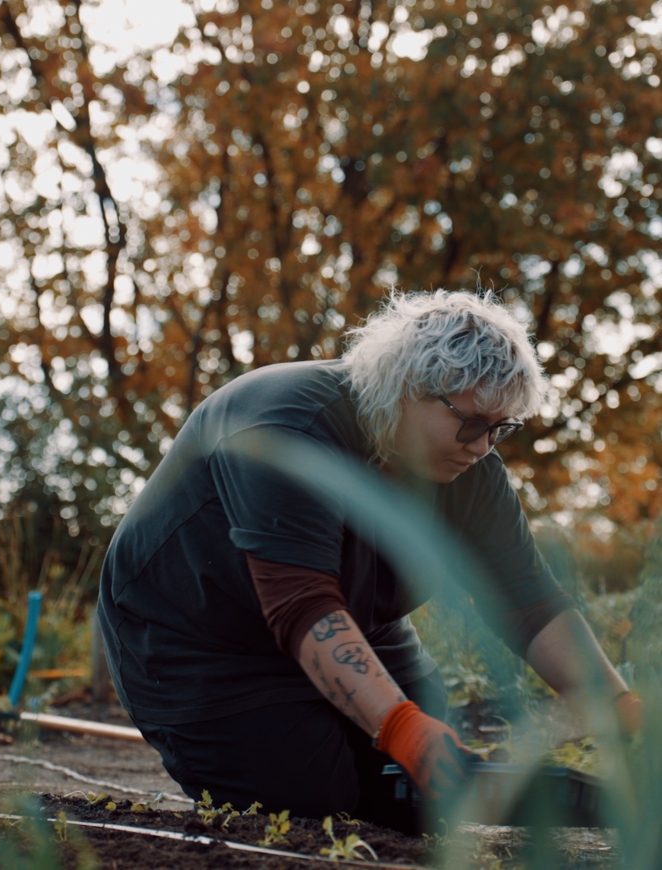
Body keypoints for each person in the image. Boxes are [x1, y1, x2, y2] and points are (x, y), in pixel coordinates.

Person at [97, 290, 641, 829]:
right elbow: (302, 605)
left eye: (501, 429)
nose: (482, 447)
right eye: (472, 423)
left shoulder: (473, 469)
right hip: (201, 641)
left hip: (358, 623)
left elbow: (529, 601)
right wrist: (401, 726)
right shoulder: (289, 428)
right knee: (311, 796)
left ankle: (591, 803)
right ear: (405, 388)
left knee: (420, 781)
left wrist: (622, 710)